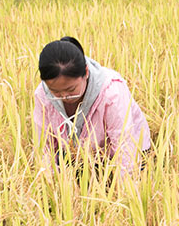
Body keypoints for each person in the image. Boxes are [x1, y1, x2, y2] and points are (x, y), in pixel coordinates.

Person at [33, 36, 151, 175]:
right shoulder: (43, 94)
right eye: (56, 92)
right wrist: (49, 184)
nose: (64, 97)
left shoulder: (111, 92)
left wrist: (125, 192)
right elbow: (44, 147)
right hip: (79, 155)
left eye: (71, 90)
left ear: (86, 73)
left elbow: (125, 147)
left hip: (125, 154)